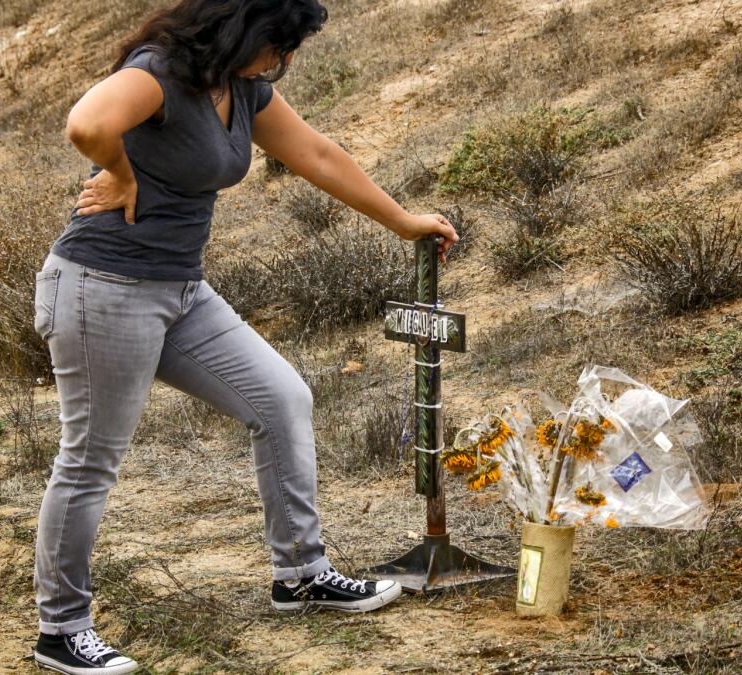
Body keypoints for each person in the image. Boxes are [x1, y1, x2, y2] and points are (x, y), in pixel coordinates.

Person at [29, 1, 459, 672]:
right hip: (103, 288)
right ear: (244, 32)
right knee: (90, 462)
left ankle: (301, 573)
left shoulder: (246, 87)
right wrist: (118, 172)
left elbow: (316, 154)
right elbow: (86, 123)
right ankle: (61, 628)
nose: (285, 64)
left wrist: (403, 221)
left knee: (281, 398)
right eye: (280, 49)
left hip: (180, 289)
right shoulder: (161, 72)